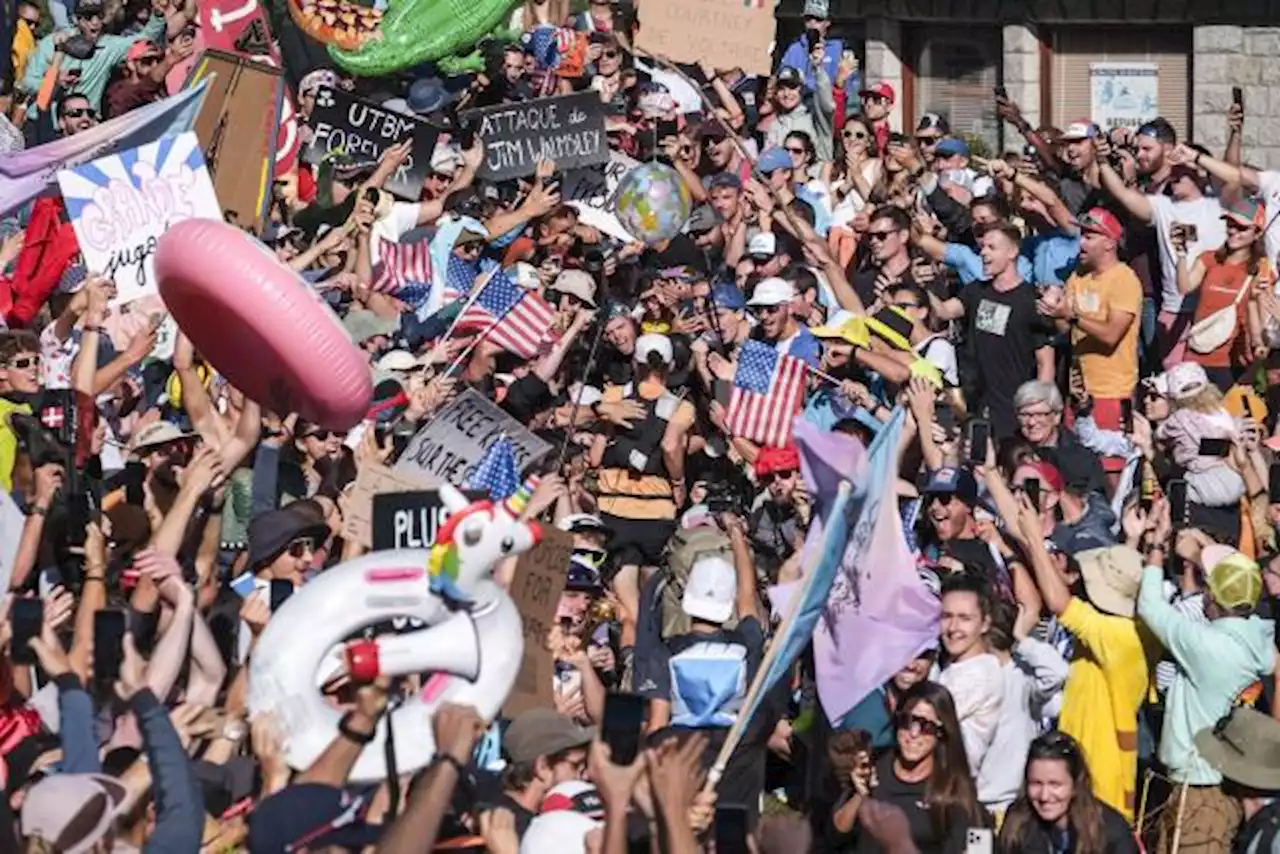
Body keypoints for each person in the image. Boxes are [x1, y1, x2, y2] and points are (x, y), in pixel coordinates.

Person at [1137, 536, 1276, 854]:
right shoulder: (1258, 637)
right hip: (1218, 787)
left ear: (1213, 595)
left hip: (1200, 791)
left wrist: (1157, 548)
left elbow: (1149, 606)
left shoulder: (1207, 647)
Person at [828, 681, 986, 854]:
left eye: (926, 726)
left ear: (941, 732)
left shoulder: (952, 788)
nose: (913, 733)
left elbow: (979, 845)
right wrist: (860, 795)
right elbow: (835, 835)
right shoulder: (873, 767)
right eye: (906, 721)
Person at [998, 731, 1138, 854]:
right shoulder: (1017, 822)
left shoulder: (1110, 832)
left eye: (1055, 784)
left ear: (1076, 785)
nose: (1044, 796)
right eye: (1036, 783)